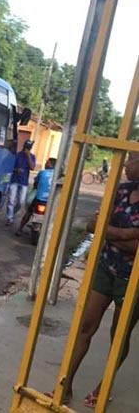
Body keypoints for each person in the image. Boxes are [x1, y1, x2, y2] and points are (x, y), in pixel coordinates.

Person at [52, 149, 139, 408]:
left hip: (134, 279)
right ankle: (64, 387)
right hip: (105, 267)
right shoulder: (122, 191)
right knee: (84, 328)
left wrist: (108, 232)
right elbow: (93, 225)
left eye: (132, 159)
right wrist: (127, 235)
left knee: (119, 336)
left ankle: (103, 388)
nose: (125, 163)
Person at [17, 157, 56, 236]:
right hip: (52, 200)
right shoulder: (57, 175)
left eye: (47, 163)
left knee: (29, 212)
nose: (45, 164)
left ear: (52, 165)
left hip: (40, 199)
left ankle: (20, 229)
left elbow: (36, 183)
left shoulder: (42, 172)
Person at [6, 139, 37, 225]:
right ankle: (9, 218)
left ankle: (12, 214)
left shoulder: (32, 157)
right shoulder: (17, 155)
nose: (26, 149)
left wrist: (28, 156)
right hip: (14, 180)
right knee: (11, 200)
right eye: (26, 147)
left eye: (28, 148)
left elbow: (32, 167)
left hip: (24, 182)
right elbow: (9, 167)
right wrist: (16, 170)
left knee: (21, 202)